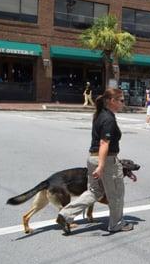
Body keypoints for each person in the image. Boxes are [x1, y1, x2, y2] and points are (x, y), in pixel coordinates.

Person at [56, 88, 134, 234]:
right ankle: (116, 224)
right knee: (116, 193)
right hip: (105, 160)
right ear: (112, 101)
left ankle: (65, 214)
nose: (123, 103)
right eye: (121, 100)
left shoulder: (100, 115)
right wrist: (102, 165)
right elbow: (104, 143)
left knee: (94, 191)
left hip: (92, 158)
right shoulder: (108, 119)